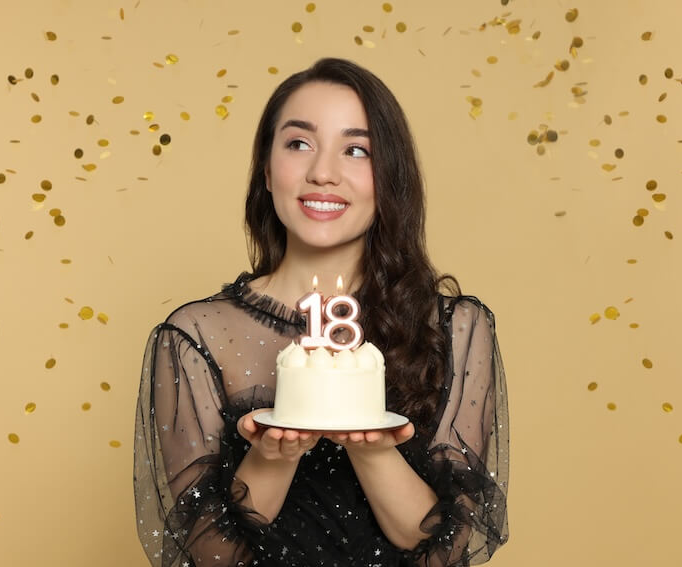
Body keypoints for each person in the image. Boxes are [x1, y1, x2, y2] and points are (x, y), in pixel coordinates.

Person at [133, 57, 509, 567]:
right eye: (299, 143)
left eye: (356, 150)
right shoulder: (196, 337)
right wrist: (272, 456)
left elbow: (445, 552)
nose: (323, 173)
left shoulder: (454, 329)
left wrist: (371, 446)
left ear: (388, 177)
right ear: (267, 169)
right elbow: (213, 556)